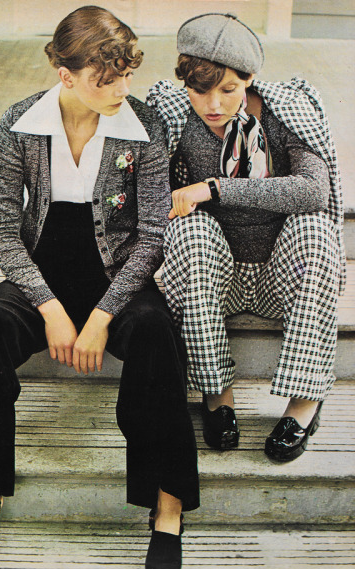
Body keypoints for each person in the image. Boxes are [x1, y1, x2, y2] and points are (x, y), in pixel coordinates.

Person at [0, 7, 199, 569]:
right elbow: (2, 230)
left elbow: (152, 235)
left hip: (118, 273)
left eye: (127, 76)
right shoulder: (20, 123)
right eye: (105, 79)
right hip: (42, 270)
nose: (121, 89)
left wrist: (101, 317)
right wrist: (50, 307)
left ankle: (167, 509)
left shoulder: (145, 125)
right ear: (65, 75)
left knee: (158, 335)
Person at [147, 13, 345, 462]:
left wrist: (215, 187)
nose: (213, 104)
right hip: (215, 280)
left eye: (228, 89)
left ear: (250, 79)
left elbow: (314, 190)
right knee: (188, 229)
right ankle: (217, 394)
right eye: (200, 90)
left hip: (283, 276)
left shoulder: (285, 112)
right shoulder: (175, 117)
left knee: (315, 228)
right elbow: (155, 196)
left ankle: (304, 403)